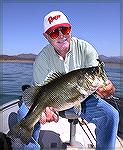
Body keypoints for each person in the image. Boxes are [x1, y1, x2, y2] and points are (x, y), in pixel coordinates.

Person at [11, 11, 119, 150]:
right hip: (49, 101)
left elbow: (102, 84)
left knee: (110, 114)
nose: (61, 35)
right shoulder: (41, 60)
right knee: (23, 114)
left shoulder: (86, 49)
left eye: (65, 29)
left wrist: (108, 90)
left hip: (82, 99)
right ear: (46, 37)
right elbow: (39, 93)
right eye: (54, 32)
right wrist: (45, 110)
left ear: (71, 29)